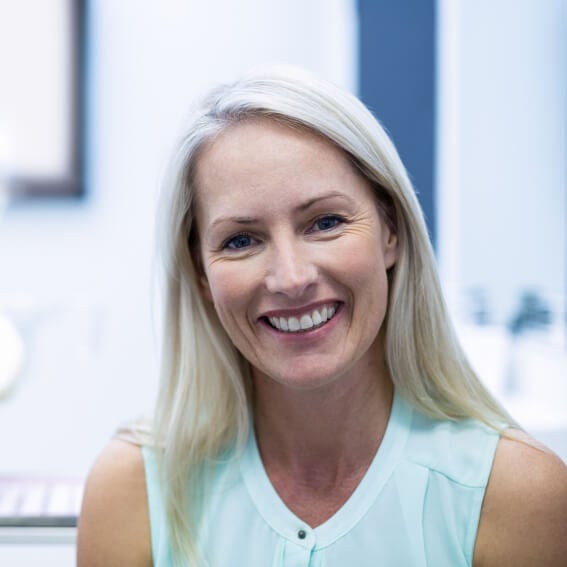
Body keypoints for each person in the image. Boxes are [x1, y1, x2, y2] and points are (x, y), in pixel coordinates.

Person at [77, 66, 567, 567]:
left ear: (390, 231)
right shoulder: (133, 489)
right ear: (201, 272)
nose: (290, 278)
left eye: (326, 222)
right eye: (241, 240)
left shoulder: (514, 494)